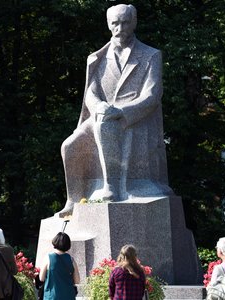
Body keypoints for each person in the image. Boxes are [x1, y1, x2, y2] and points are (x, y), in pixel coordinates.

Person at [58, 4, 171, 217]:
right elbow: (90, 93)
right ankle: (73, 199)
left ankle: (111, 187)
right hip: (101, 114)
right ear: (109, 25)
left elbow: (152, 95)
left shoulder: (150, 55)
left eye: (125, 22)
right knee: (69, 146)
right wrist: (99, 106)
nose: (120, 28)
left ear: (134, 22)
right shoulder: (97, 58)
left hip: (132, 117)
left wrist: (122, 111)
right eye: (115, 23)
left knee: (105, 125)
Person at [39, 232, 80, 300]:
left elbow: (41, 278)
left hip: (52, 296)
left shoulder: (48, 258)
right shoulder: (71, 259)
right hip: (68, 296)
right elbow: (77, 281)